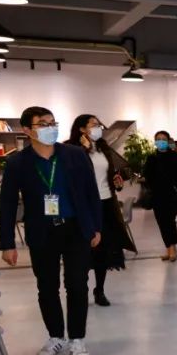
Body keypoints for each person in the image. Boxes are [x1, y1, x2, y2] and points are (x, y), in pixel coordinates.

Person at [0, 106, 102, 355]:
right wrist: (7, 243)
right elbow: (7, 203)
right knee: (46, 286)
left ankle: (77, 338)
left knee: (77, 284)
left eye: (53, 123)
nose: (50, 128)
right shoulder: (17, 163)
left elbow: (91, 193)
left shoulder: (75, 155)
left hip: (75, 228)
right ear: (27, 130)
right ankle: (56, 336)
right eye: (43, 124)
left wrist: (95, 227)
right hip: (41, 231)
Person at [65, 115, 136, 306]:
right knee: (83, 250)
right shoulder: (71, 149)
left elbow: (110, 174)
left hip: (106, 203)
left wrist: (117, 183)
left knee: (103, 251)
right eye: (94, 125)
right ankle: (81, 290)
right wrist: (84, 149)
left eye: (99, 125)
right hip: (84, 206)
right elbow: (71, 174)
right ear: (82, 129)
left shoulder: (103, 148)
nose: (98, 128)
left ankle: (100, 290)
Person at [142, 130, 177, 262]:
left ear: (168, 141)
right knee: (162, 223)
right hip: (157, 195)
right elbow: (147, 176)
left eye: (163, 139)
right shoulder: (151, 158)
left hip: (171, 195)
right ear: (155, 142)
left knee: (169, 221)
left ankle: (173, 249)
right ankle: (168, 248)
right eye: (158, 139)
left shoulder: (175, 157)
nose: (161, 141)